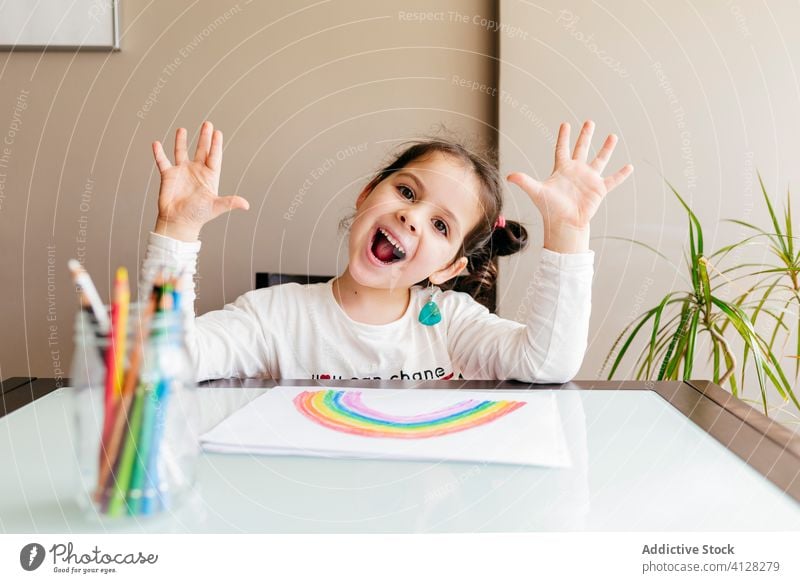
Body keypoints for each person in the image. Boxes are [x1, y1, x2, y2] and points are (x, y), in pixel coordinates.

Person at [141, 120, 632, 382]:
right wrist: (177, 230)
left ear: (449, 268)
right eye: (407, 192)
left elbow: (547, 363)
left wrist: (568, 232)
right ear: (367, 193)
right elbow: (161, 362)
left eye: (440, 224)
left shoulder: (456, 326)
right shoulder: (274, 317)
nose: (412, 216)